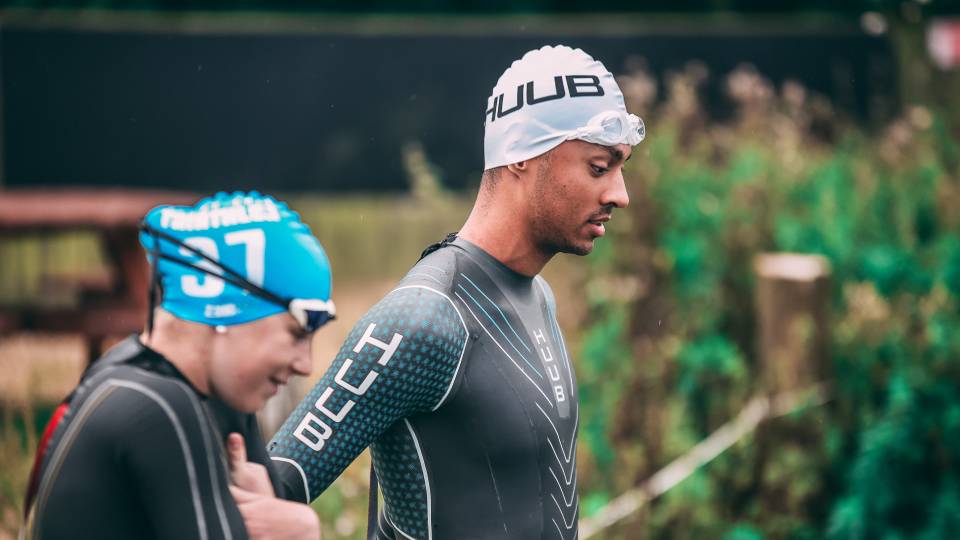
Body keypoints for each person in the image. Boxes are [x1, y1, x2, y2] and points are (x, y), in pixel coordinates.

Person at [233, 44, 645, 540]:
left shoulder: (538, 296)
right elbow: (267, 489)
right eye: (599, 167)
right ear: (520, 158)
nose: (619, 194)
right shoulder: (427, 319)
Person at [21, 192, 335, 540]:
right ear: (226, 310)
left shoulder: (209, 394)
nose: (306, 364)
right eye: (295, 333)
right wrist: (303, 532)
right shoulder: (158, 405)